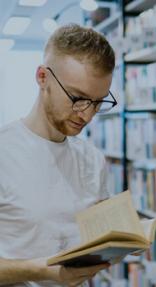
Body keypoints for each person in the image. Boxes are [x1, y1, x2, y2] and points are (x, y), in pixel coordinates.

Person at [0, 23, 117, 286]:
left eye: (98, 102)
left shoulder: (93, 160)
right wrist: (38, 271)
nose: (87, 115)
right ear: (43, 78)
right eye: (78, 98)